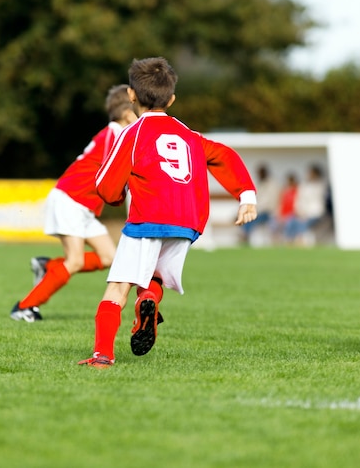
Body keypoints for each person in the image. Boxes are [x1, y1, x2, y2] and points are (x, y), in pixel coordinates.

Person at [78, 56, 257, 368]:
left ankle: (102, 355)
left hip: (149, 218)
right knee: (155, 275)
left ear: (131, 95)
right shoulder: (189, 134)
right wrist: (246, 194)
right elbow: (224, 154)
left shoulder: (131, 134)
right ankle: (148, 300)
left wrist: (117, 196)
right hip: (186, 222)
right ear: (172, 99)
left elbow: (105, 184)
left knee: (117, 288)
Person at [10, 84, 137, 322]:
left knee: (110, 257)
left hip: (82, 206)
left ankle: (48, 267)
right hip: (71, 199)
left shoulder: (114, 134)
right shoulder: (115, 134)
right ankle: (23, 307)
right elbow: (116, 173)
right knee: (76, 260)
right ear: (128, 113)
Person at [241, 164, 280, 245]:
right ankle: (245, 235)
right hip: (258, 211)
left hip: (267, 212)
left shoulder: (272, 185)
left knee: (251, 219)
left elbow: (271, 202)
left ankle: (245, 236)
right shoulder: (258, 184)